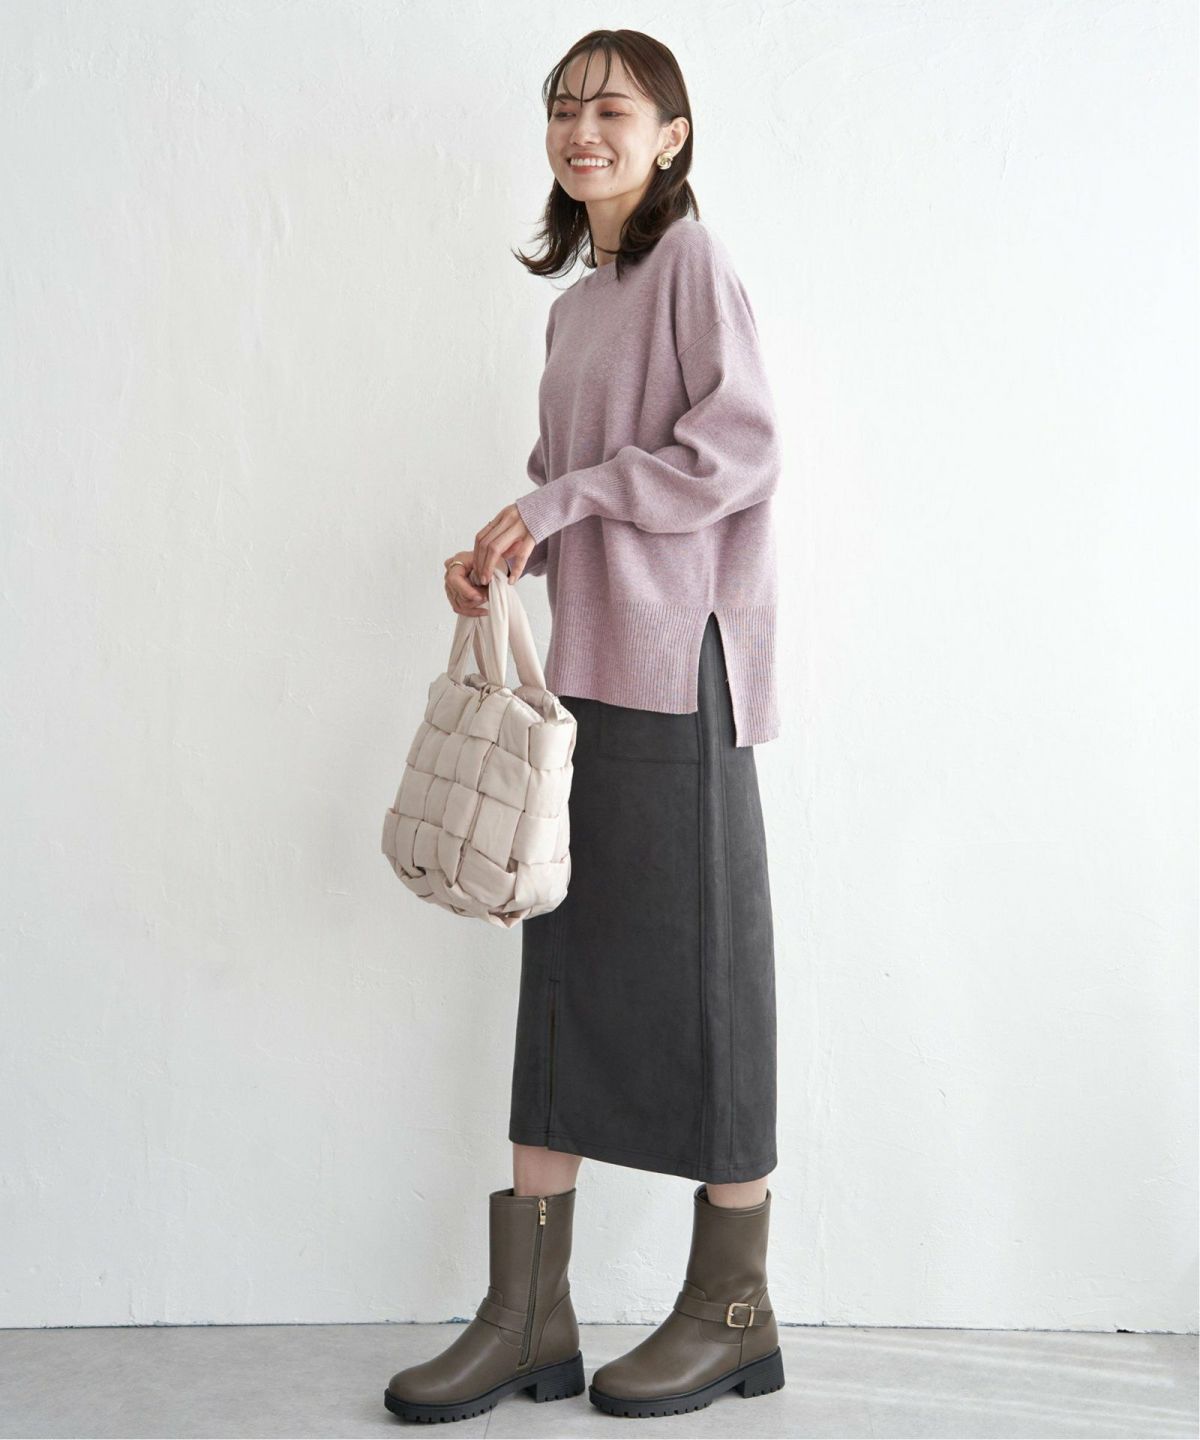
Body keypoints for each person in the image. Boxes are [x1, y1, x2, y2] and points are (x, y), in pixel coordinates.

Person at [385, 28, 786, 1425]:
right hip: (587, 676)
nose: (582, 129)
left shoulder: (693, 264)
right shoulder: (577, 308)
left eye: (613, 107)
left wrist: (557, 504)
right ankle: (528, 1318)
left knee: (708, 980)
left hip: (684, 668)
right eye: (564, 108)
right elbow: (575, 487)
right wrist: (509, 553)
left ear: (671, 135)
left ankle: (733, 1312)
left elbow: (740, 451)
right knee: (561, 968)